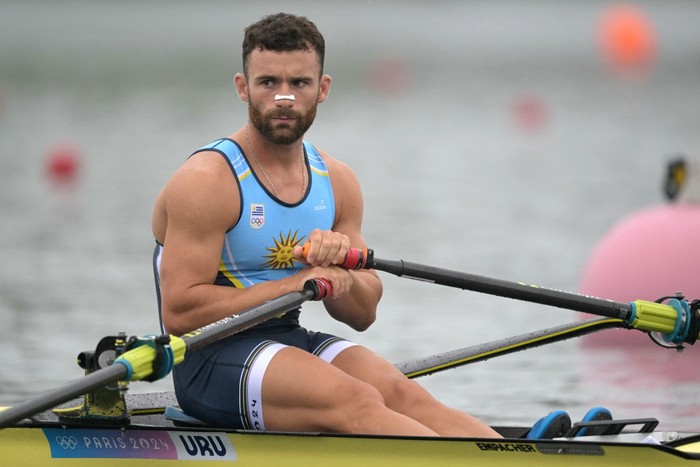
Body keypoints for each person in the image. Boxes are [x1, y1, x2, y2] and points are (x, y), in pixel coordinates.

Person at [152, 12, 604, 439]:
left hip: (288, 339)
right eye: (268, 82)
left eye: (299, 82)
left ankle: (518, 456)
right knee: (357, 399)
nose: (283, 98)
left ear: (323, 88)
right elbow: (180, 313)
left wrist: (341, 277)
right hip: (208, 359)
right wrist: (299, 282)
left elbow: (364, 315)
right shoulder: (207, 181)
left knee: (402, 393)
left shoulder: (338, 181)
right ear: (242, 87)